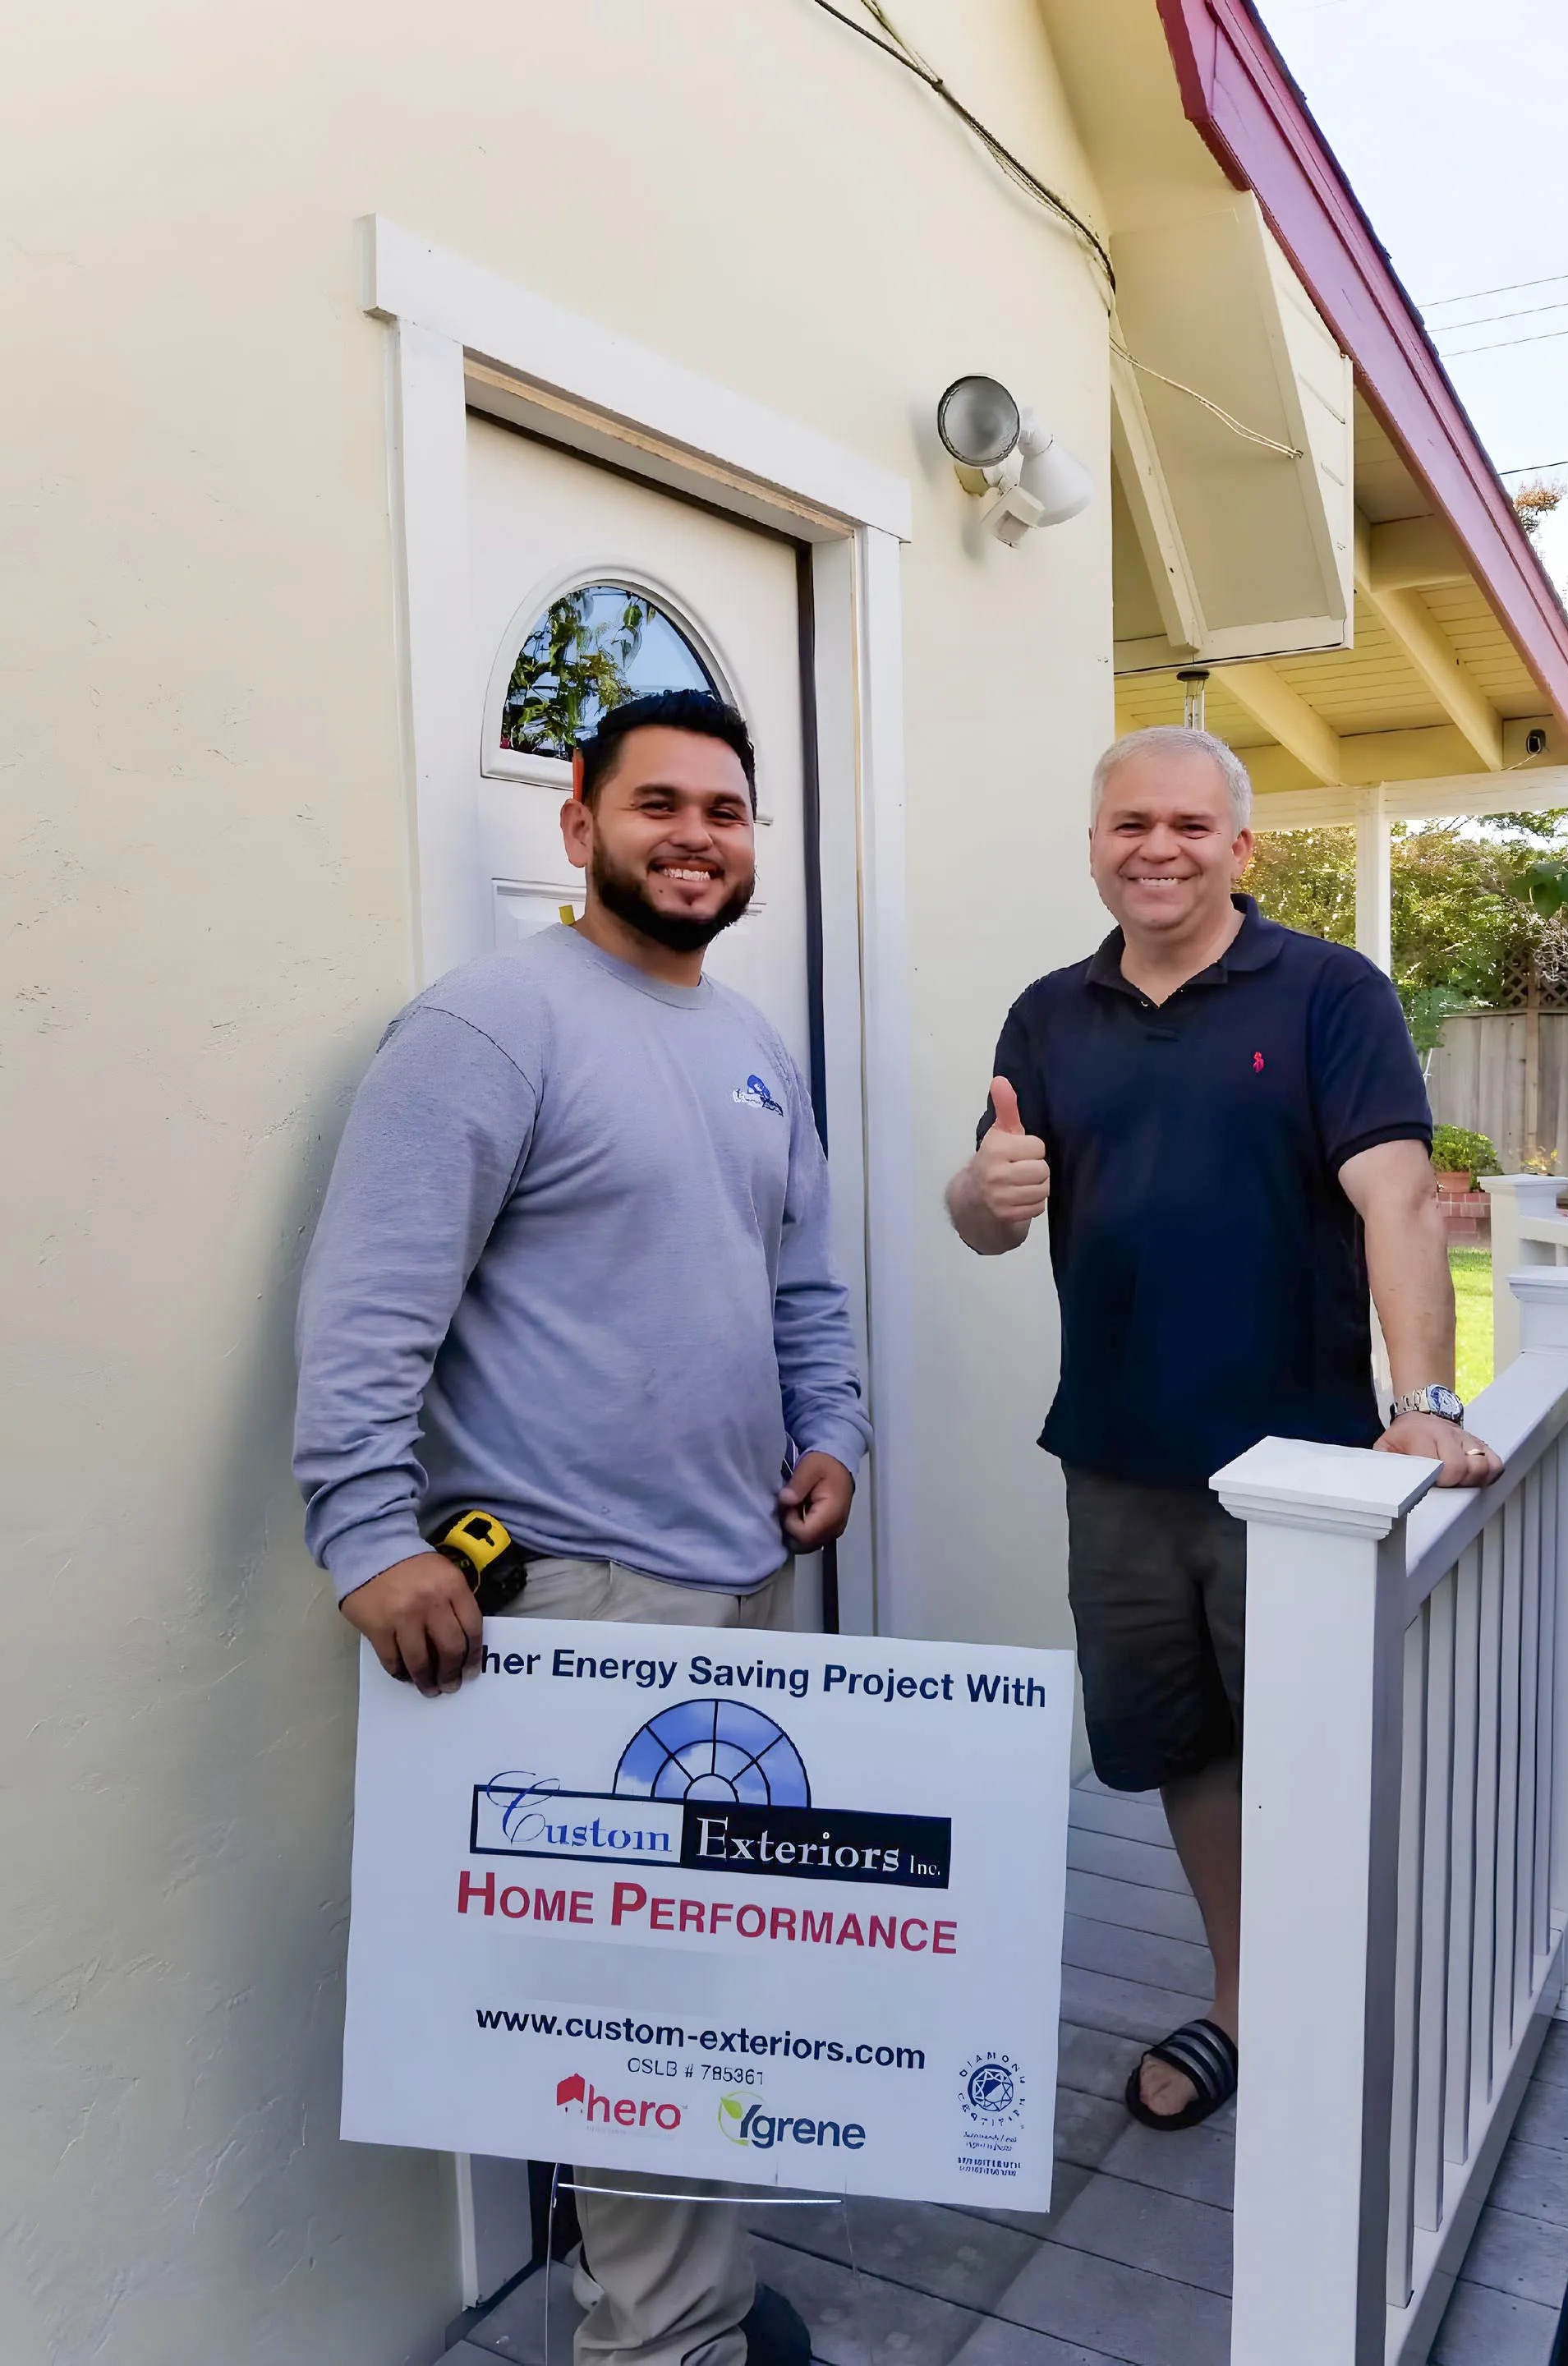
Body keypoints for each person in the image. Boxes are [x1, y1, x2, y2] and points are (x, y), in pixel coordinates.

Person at [295, 687, 869, 2366]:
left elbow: (805, 1283)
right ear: (578, 827)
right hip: (576, 1606)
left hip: (744, 1584)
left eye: (727, 810)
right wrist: (365, 1533)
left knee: (710, 1984)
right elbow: (369, 1310)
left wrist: (831, 1429)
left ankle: (681, 2299)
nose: (696, 836)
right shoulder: (489, 1028)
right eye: (659, 805)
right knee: (643, 2012)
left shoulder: (753, 1047)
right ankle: (662, 2349)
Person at [944, 724, 1497, 2135]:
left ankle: (1365, 1998)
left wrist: (1424, 1403)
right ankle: (1250, 2004)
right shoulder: (1048, 1016)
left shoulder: (1325, 993)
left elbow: (1396, 1197)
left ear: (1241, 848)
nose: (1159, 848)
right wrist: (983, 1193)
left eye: (1191, 826)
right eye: (1130, 824)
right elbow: (986, 1212)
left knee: (1319, 1750)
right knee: (1190, 1750)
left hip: (1297, 1470)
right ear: (1095, 847)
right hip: (1118, 1460)